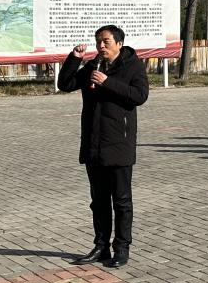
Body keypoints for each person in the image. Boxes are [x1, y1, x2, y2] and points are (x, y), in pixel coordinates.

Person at [58, 25, 149, 269]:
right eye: (98, 41)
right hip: (94, 143)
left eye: (106, 41)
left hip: (119, 144)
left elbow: (139, 95)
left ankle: (122, 248)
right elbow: (65, 84)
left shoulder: (133, 66)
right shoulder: (93, 65)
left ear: (119, 43)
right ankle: (101, 246)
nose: (101, 46)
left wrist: (107, 82)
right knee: (98, 201)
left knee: (121, 200)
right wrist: (74, 58)